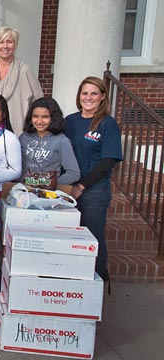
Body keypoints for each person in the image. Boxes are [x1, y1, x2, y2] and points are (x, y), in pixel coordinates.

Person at [64, 77, 122, 283]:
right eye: (84, 93)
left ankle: (98, 282)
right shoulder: (70, 121)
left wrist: (82, 185)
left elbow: (108, 160)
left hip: (94, 191)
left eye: (94, 93)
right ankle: (74, 284)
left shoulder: (107, 124)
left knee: (92, 238)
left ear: (103, 97)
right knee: (69, 237)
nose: (88, 98)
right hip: (67, 189)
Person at [19, 97, 80, 188]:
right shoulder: (24, 138)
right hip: (23, 193)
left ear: (54, 117)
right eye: (35, 116)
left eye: (45, 117)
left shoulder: (62, 141)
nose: (39, 121)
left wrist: (51, 183)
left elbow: (74, 173)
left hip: (48, 196)